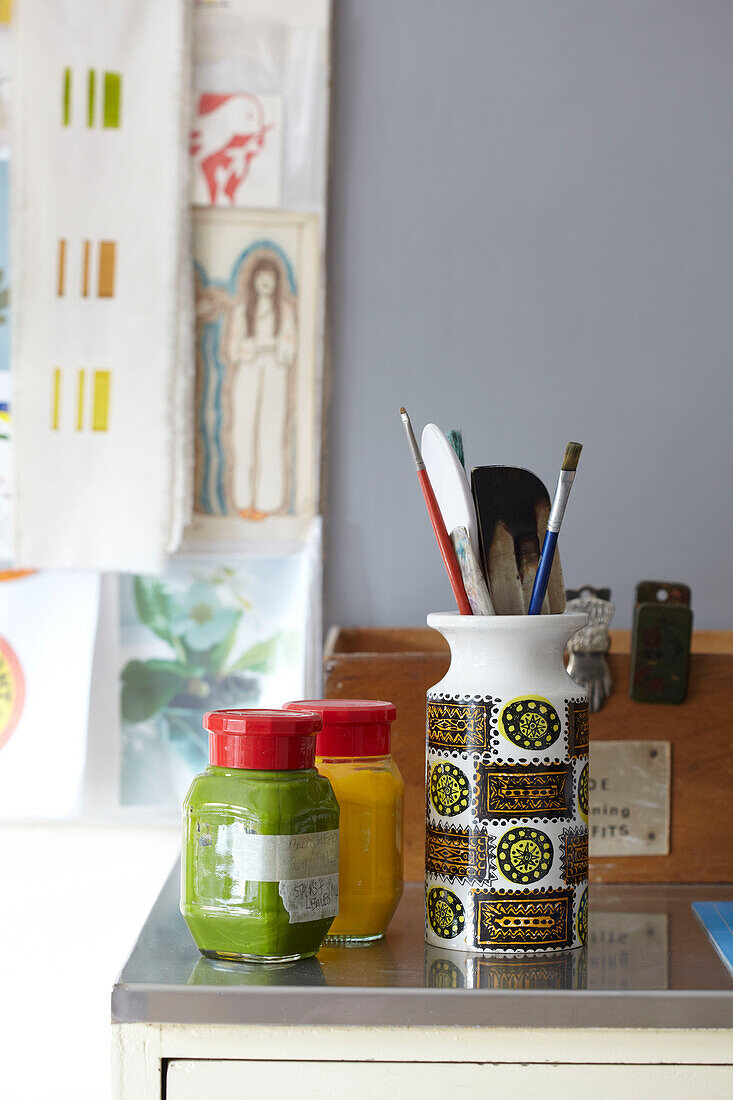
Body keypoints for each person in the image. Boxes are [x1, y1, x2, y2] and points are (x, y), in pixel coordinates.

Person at [223, 255, 296, 518]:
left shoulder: (284, 311)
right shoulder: (242, 310)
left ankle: (267, 501)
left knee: (271, 435)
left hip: (274, 374)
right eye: (261, 278)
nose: (265, 283)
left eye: (270, 278)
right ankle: (243, 499)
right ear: (253, 280)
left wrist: (279, 351)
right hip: (249, 373)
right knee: (244, 435)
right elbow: (232, 348)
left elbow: (289, 345)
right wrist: (247, 350)